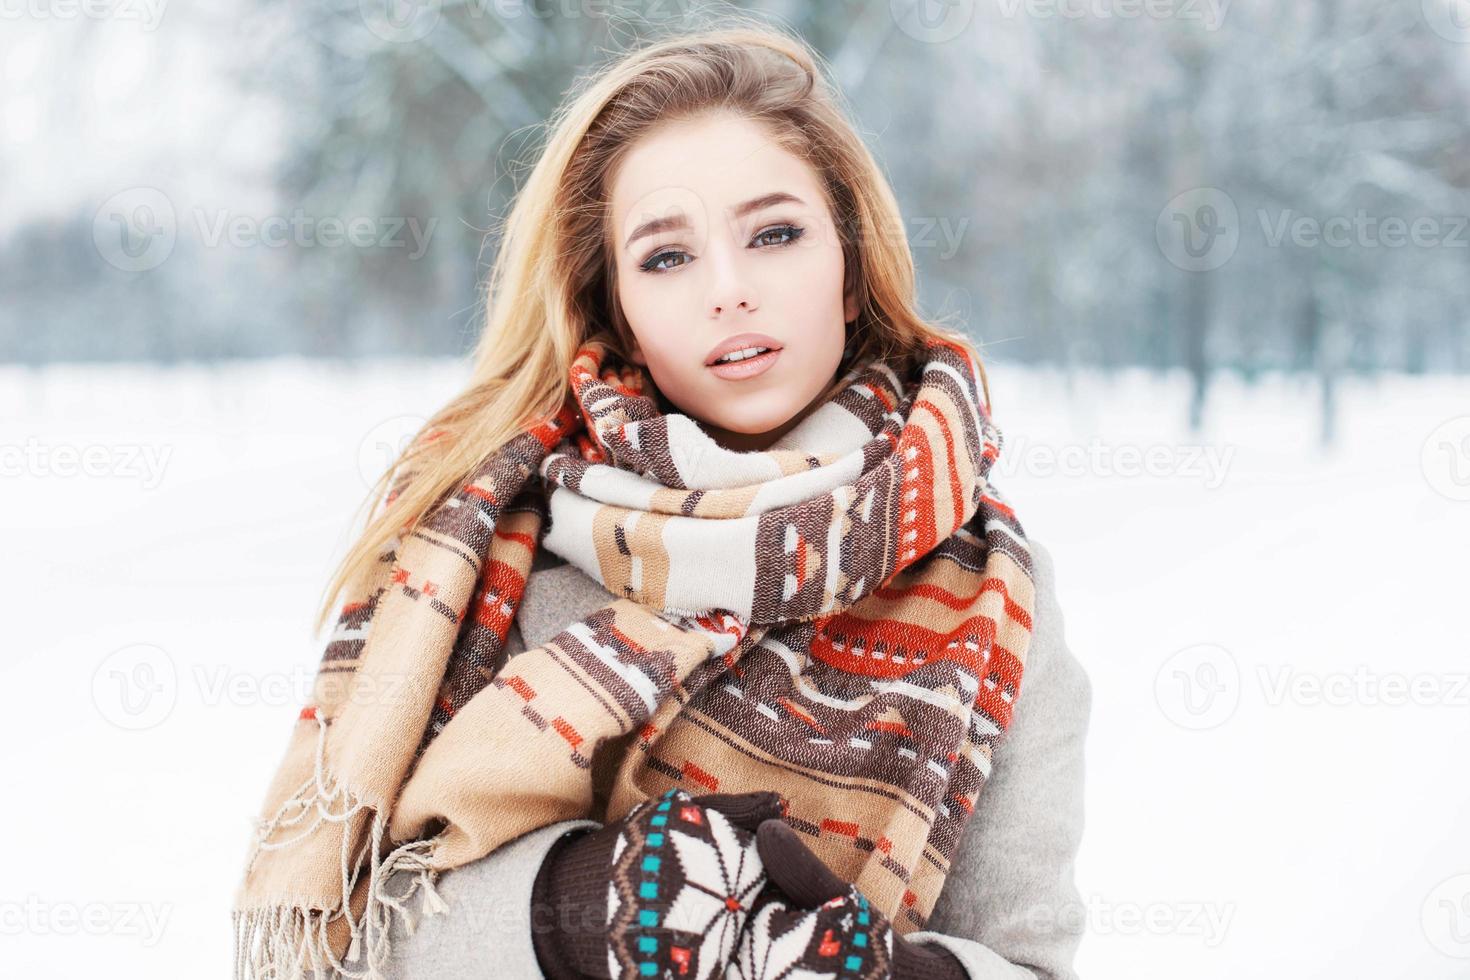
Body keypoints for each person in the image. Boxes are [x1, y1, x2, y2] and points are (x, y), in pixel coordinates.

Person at [238, 19, 1092, 980]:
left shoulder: (992, 596)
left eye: (774, 234)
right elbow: (352, 931)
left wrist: (889, 972)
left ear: (850, 271)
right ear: (622, 316)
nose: (729, 290)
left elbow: (1029, 959)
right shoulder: (495, 541)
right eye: (667, 257)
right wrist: (577, 905)